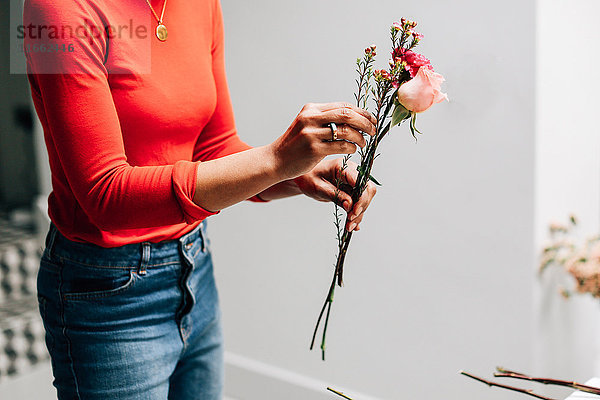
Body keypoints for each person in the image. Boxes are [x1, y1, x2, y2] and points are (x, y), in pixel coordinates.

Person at [22, 0, 378, 398]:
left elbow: (214, 147)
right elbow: (105, 195)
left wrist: (296, 175)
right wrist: (276, 160)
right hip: (107, 293)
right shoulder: (59, 8)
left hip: (195, 267)